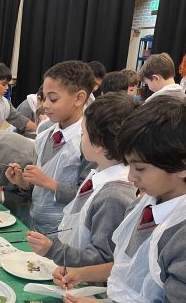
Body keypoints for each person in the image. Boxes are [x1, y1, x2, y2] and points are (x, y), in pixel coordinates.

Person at [54, 97, 186, 303]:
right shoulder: (149, 199)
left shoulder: (180, 232)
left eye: (139, 169)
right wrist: (82, 274)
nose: (130, 178)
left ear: (181, 166)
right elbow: (132, 266)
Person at [27, 93, 138, 266]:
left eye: (83, 133)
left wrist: (53, 250)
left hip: (84, 283)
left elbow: (103, 259)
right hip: (70, 270)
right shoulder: (98, 173)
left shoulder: (113, 196)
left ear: (99, 144)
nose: (80, 139)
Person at [6, 60, 95, 233]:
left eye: (53, 99)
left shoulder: (90, 141)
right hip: (37, 225)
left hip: (67, 232)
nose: (45, 105)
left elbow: (88, 195)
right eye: (45, 97)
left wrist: (47, 182)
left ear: (79, 98)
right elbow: (39, 186)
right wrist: (24, 182)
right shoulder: (45, 132)